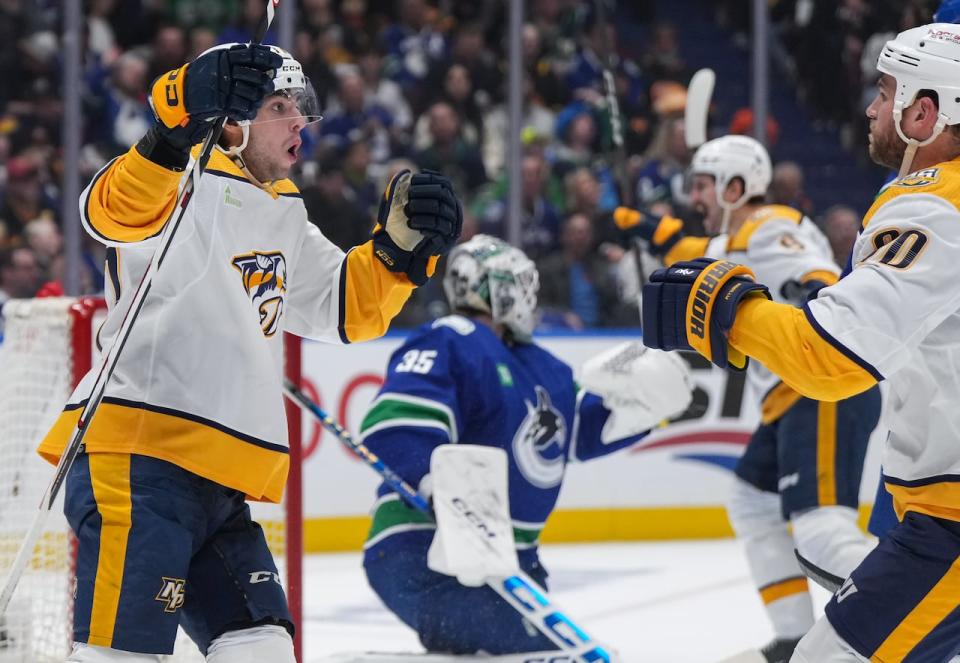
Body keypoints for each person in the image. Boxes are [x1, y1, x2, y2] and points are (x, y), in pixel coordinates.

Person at [34, 42, 462, 662]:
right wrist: (175, 123)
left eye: (302, 108)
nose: (299, 123)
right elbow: (108, 215)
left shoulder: (282, 204)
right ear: (231, 119)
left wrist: (398, 254)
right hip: (139, 460)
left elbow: (344, 309)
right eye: (280, 106)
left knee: (260, 649)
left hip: (218, 482)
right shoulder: (182, 173)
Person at [641, 23, 960, 662]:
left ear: (923, 112)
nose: (872, 108)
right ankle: (797, 623)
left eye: (886, 92)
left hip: (946, 526)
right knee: (754, 502)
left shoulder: (932, 208)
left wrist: (727, 313)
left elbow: (831, 349)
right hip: (933, 509)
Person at [359, 234, 693, 656]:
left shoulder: (541, 365)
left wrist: (642, 409)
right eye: (521, 284)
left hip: (510, 564)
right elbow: (398, 423)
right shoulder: (451, 338)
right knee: (544, 651)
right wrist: (439, 491)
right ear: (499, 290)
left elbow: (573, 435)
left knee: (531, 648)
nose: (528, 297)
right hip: (423, 550)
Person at [616, 134, 881, 663]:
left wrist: (809, 290)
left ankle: (914, 617)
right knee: (751, 499)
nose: (696, 198)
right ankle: (792, 638)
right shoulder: (735, 238)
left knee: (821, 527)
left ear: (737, 188)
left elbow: (819, 278)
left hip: (819, 390)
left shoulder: (772, 225)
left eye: (704, 186)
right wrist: (651, 229)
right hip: (790, 400)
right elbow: (698, 255)